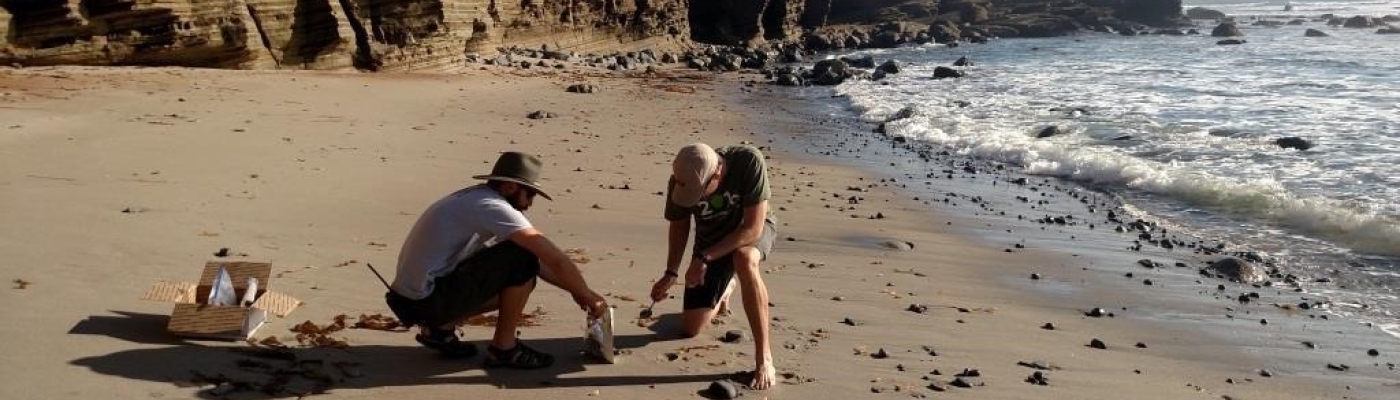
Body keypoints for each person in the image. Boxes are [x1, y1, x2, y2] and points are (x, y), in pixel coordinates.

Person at [385, 151, 607, 369]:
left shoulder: (474, 197)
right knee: (521, 258)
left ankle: (440, 328)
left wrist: (578, 291)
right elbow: (552, 258)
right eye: (529, 194)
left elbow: (540, 265)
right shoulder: (493, 207)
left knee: (520, 262)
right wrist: (586, 296)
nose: (530, 203)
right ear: (510, 187)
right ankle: (504, 348)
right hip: (424, 302)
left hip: (408, 299)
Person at [650, 143, 778, 389]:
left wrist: (704, 258)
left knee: (744, 259)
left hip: (751, 230)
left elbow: (753, 228)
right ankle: (727, 286)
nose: (695, 200)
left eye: (700, 194)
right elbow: (679, 226)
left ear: (717, 174)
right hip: (711, 241)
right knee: (691, 327)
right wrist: (670, 273)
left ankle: (764, 357)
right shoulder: (683, 178)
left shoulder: (748, 161)